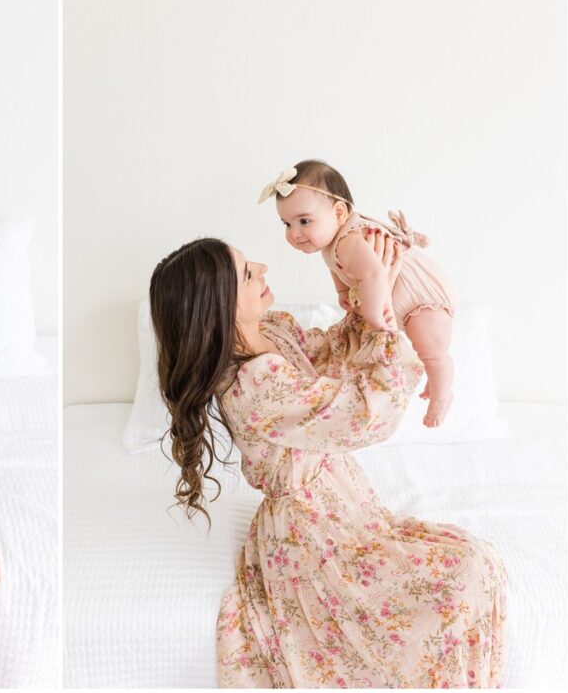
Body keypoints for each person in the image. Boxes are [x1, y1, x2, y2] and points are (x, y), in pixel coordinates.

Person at [148, 235, 506, 687]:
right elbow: (365, 412)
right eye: (245, 272)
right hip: (311, 533)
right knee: (458, 587)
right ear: (220, 306)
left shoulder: (272, 331)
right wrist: (379, 323)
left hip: (342, 503)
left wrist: (371, 286)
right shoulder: (254, 385)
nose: (262, 267)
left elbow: (333, 353)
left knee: (477, 565)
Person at [259, 160, 457, 426]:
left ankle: (442, 396)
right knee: (423, 350)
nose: (294, 234)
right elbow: (335, 266)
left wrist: (374, 316)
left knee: (432, 352)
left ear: (339, 213)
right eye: (286, 224)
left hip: (419, 296)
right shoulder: (331, 243)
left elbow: (374, 274)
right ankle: (436, 382)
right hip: (399, 294)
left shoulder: (349, 240)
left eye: (304, 221)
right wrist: (342, 289)